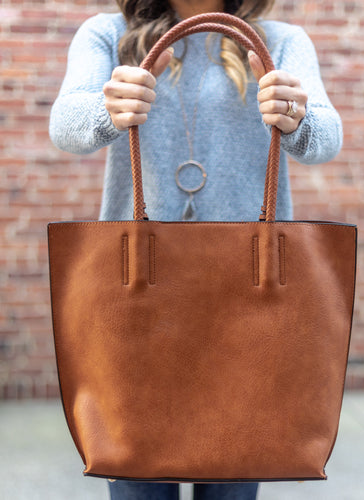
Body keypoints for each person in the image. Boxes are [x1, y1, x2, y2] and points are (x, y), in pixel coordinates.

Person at [49, 0, 342, 499]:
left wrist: (295, 116)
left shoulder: (280, 40)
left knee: (235, 478)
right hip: (138, 299)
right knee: (137, 479)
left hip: (247, 300)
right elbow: (65, 126)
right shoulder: (108, 34)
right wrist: (109, 108)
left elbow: (327, 138)